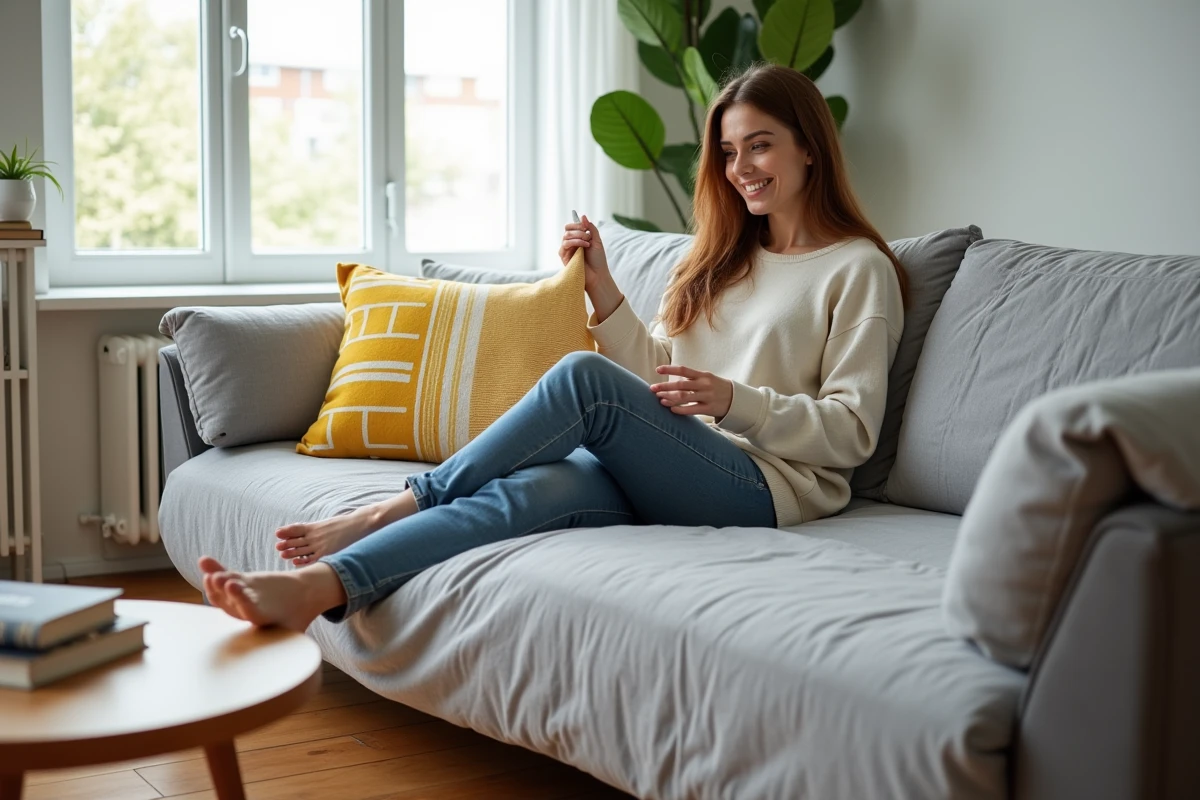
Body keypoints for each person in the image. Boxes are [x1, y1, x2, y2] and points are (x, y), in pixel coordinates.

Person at [199, 63, 909, 631]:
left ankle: (394, 507)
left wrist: (735, 401)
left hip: (764, 489)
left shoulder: (856, 269)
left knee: (582, 378)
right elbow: (659, 377)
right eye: (728, 152)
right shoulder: (720, 258)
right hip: (678, 458)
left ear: (809, 147)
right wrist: (600, 286)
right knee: (524, 493)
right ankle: (317, 589)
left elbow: (851, 433)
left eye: (760, 144)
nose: (741, 167)